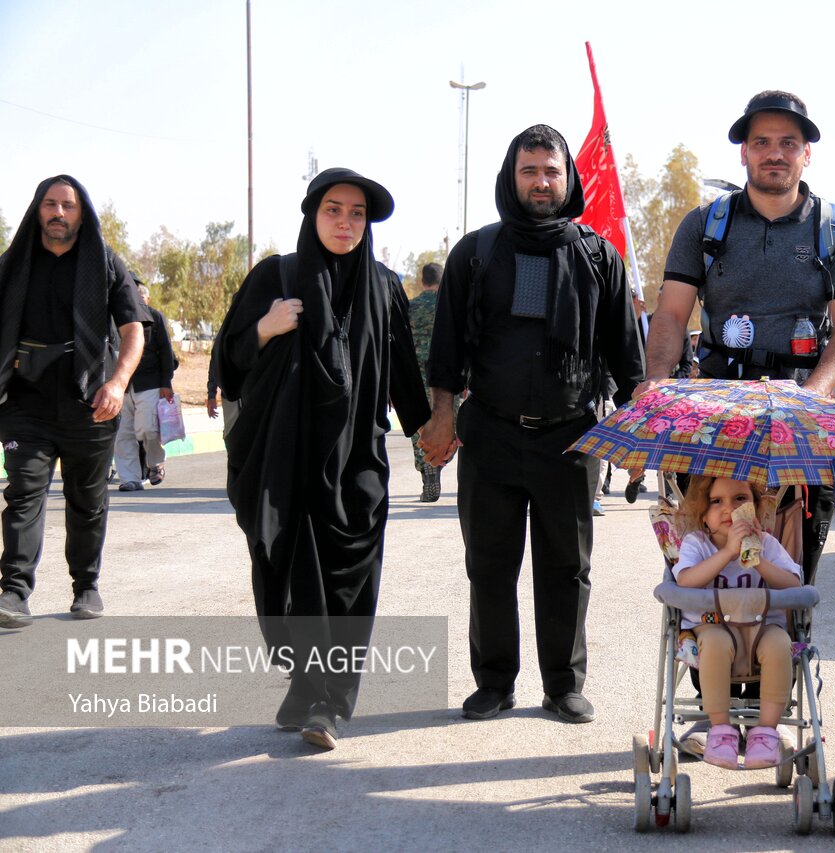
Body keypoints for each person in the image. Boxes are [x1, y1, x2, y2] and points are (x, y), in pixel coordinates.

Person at [420, 125, 645, 724]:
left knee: (567, 568)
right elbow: (447, 349)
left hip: (570, 435)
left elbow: (628, 358)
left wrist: (637, 434)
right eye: (529, 171)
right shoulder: (476, 252)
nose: (541, 182)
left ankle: (563, 684)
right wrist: (442, 417)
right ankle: (494, 682)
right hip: (490, 433)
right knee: (489, 564)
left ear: (568, 178)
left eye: (551, 171)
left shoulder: (599, 258)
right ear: (510, 177)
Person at [214, 167, 429, 750]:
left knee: (348, 584)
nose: (345, 222)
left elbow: (405, 373)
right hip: (284, 459)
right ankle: (303, 684)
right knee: (282, 570)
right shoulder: (276, 276)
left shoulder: (384, 287)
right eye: (334, 210)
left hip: (357, 459)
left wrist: (432, 431)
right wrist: (265, 327)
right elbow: (228, 362)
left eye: (357, 213)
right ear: (313, 214)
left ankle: (326, 701)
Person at [639, 90, 835, 579]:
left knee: (789, 565)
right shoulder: (704, 226)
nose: (775, 153)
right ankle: (709, 638)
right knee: (709, 539)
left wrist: (811, 399)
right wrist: (657, 379)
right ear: (744, 152)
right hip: (720, 406)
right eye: (761, 141)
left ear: (807, 153)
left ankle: (786, 645)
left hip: (799, 406)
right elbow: (672, 315)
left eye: (789, 142)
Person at [0, 176, 146, 629]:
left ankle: (86, 586)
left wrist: (118, 384)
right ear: (37, 210)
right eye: (50, 204)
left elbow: (133, 329)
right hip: (26, 402)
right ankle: (14, 592)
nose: (58, 213)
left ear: (82, 213)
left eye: (68, 205)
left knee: (88, 499)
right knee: (24, 494)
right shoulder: (13, 263)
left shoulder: (105, 263)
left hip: (92, 401)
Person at [673, 475, 802, 769]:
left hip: (761, 626)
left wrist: (757, 560)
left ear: (756, 508)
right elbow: (685, 581)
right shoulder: (698, 543)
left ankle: (765, 731)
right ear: (703, 514)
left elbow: (794, 584)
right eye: (717, 502)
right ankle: (720, 729)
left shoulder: (767, 544)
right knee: (716, 643)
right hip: (712, 627)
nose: (729, 509)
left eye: (740, 499)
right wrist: (729, 552)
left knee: (780, 643)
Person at [113, 279, 176, 492]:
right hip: (120, 385)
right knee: (123, 433)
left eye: (141, 296)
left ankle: (155, 463)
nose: (137, 300)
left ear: (147, 298)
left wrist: (166, 382)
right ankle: (130, 478)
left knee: (148, 429)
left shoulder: (155, 317)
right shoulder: (115, 318)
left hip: (149, 383)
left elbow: (166, 352)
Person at [409, 261, 447, 502]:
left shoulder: (410, 307)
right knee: (445, 425)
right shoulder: (449, 307)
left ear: (423, 282)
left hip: (414, 377)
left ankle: (427, 472)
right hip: (445, 378)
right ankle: (439, 464)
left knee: (419, 427)